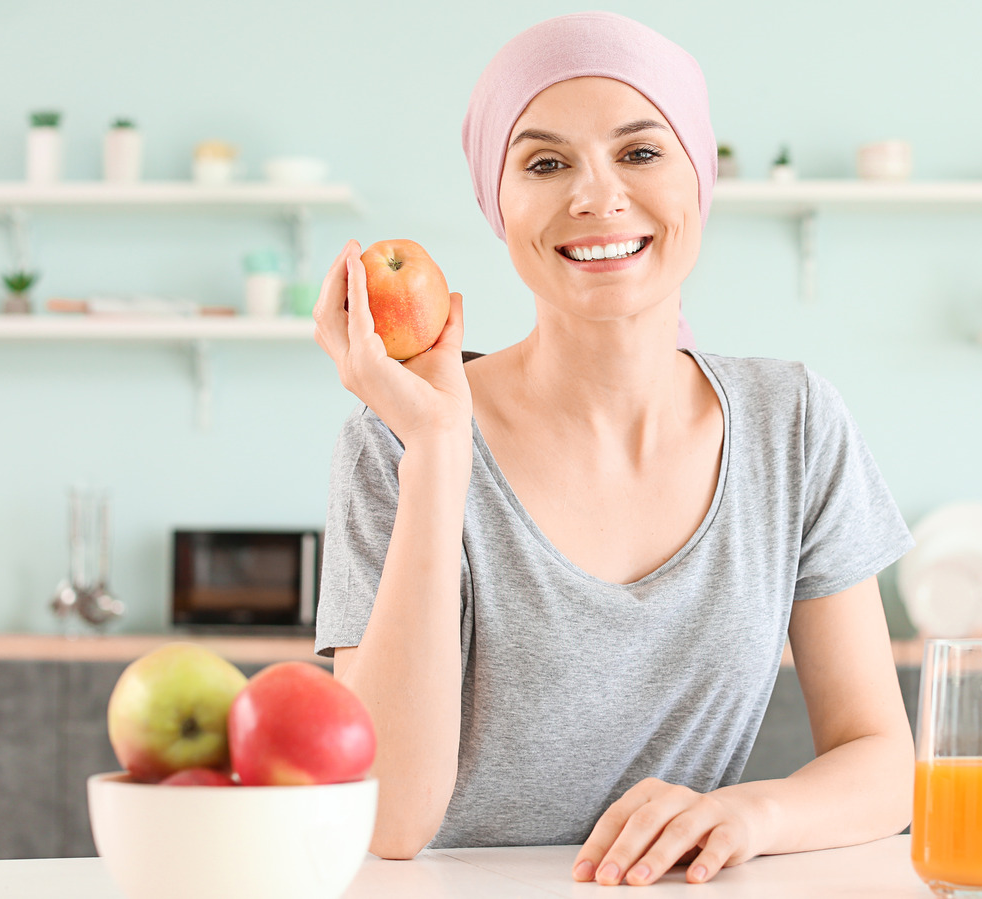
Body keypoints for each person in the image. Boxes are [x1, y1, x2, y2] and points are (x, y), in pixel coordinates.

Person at [311, 11, 915, 887]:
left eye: (639, 153)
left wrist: (752, 811)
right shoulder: (394, 442)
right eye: (545, 163)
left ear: (698, 178)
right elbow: (389, 819)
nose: (596, 197)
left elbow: (883, 757)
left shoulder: (794, 423)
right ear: (498, 202)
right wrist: (440, 449)